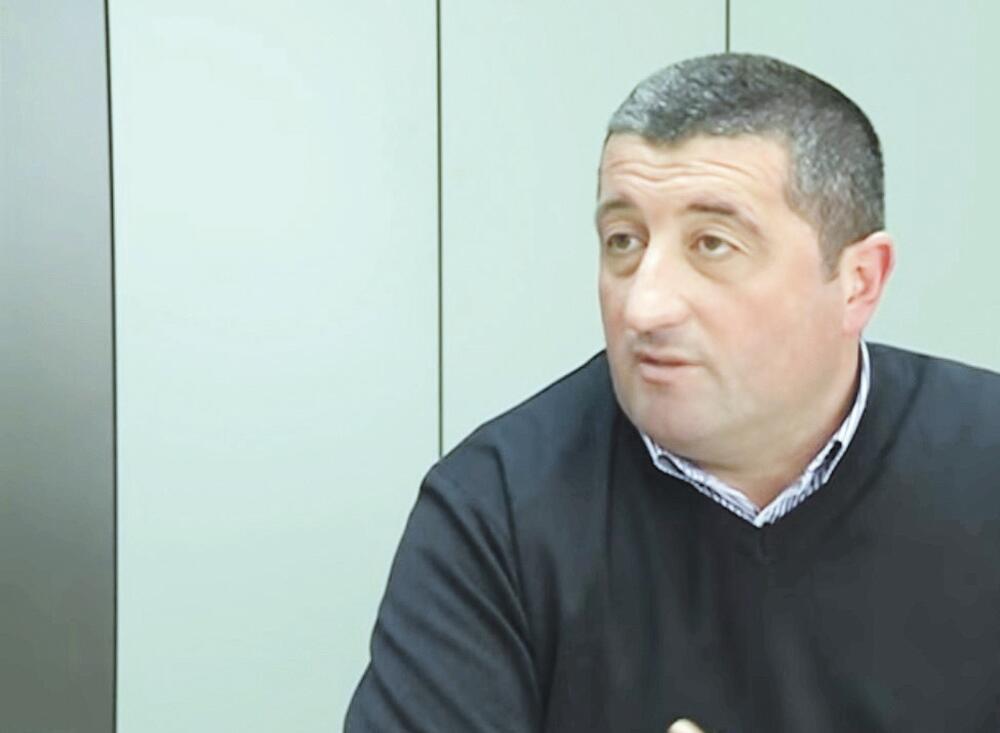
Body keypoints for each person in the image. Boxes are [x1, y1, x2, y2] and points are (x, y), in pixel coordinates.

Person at [345, 53, 1000, 732]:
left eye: (712, 244)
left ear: (859, 281)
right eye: (623, 241)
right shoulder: (496, 507)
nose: (644, 306)